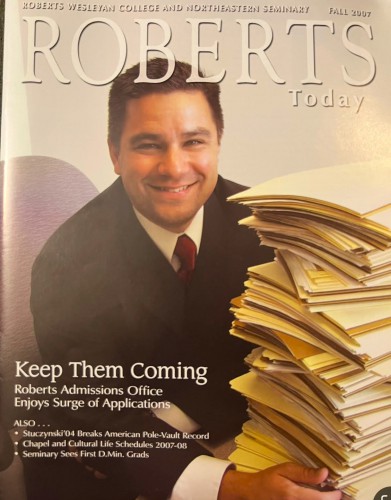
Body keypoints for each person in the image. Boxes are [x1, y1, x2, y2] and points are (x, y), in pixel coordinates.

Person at [29, 58, 341, 500]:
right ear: (114, 154)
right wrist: (232, 487)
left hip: (249, 431)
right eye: (148, 145)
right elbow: (101, 420)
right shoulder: (66, 262)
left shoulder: (270, 228)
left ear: (217, 144)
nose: (175, 168)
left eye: (194, 141)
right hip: (128, 471)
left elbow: (295, 359)